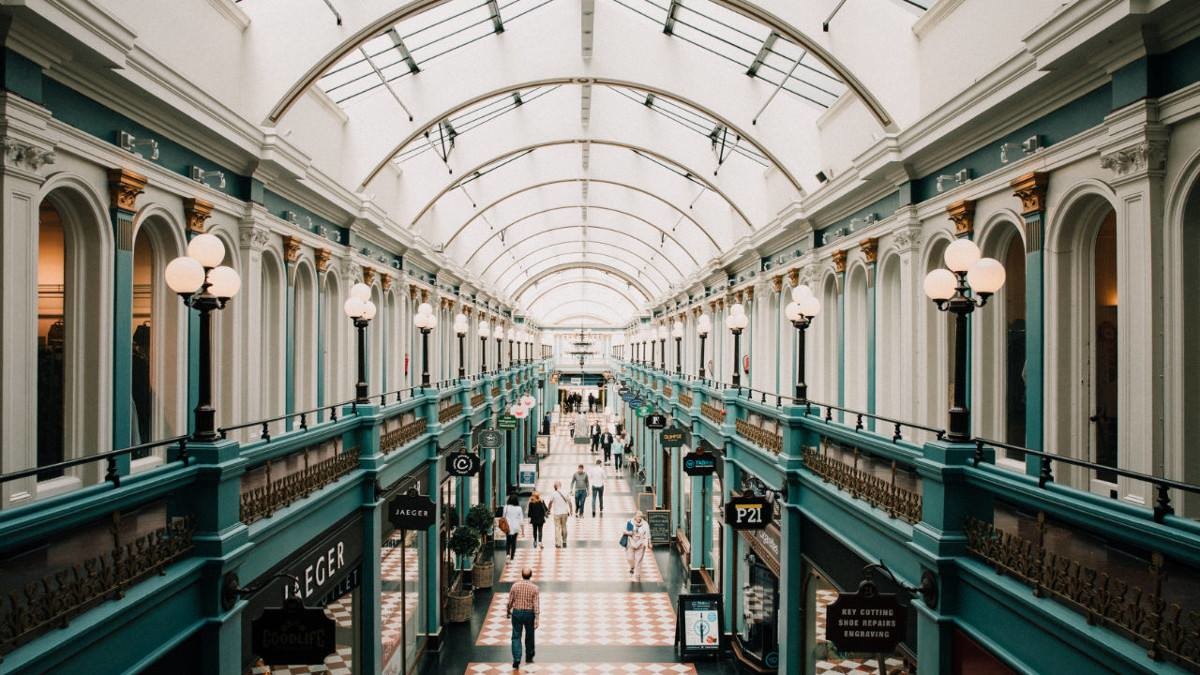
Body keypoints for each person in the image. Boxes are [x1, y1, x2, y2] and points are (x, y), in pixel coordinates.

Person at [506, 567, 539, 670]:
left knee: (516, 636)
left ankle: (516, 658)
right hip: (529, 614)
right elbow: (536, 604)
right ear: (531, 575)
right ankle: (529, 655)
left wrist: (508, 610)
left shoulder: (515, 586)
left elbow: (510, 601)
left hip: (517, 612)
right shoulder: (534, 588)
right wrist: (537, 618)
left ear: (522, 574)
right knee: (530, 634)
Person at [625, 511, 651, 580]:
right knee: (630, 558)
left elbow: (648, 534)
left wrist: (649, 543)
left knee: (638, 559)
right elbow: (627, 531)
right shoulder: (630, 522)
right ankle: (632, 566)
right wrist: (627, 532)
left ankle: (637, 574)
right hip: (631, 542)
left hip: (641, 543)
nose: (640, 518)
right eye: (639, 516)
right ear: (635, 516)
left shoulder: (645, 524)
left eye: (641, 516)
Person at [548, 481, 572, 548]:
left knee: (557, 527)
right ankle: (564, 541)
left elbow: (550, 503)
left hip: (557, 513)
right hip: (565, 513)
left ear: (555, 486)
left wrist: (548, 510)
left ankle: (558, 543)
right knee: (564, 526)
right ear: (560, 485)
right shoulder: (565, 492)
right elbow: (570, 502)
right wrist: (571, 510)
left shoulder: (554, 493)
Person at [502, 494, 524, 560]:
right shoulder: (519, 508)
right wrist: (523, 531)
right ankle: (512, 556)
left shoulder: (506, 507)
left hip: (507, 526)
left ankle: (508, 554)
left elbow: (503, 517)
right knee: (514, 541)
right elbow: (521, 520)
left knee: (508, 540)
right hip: (515, 527)